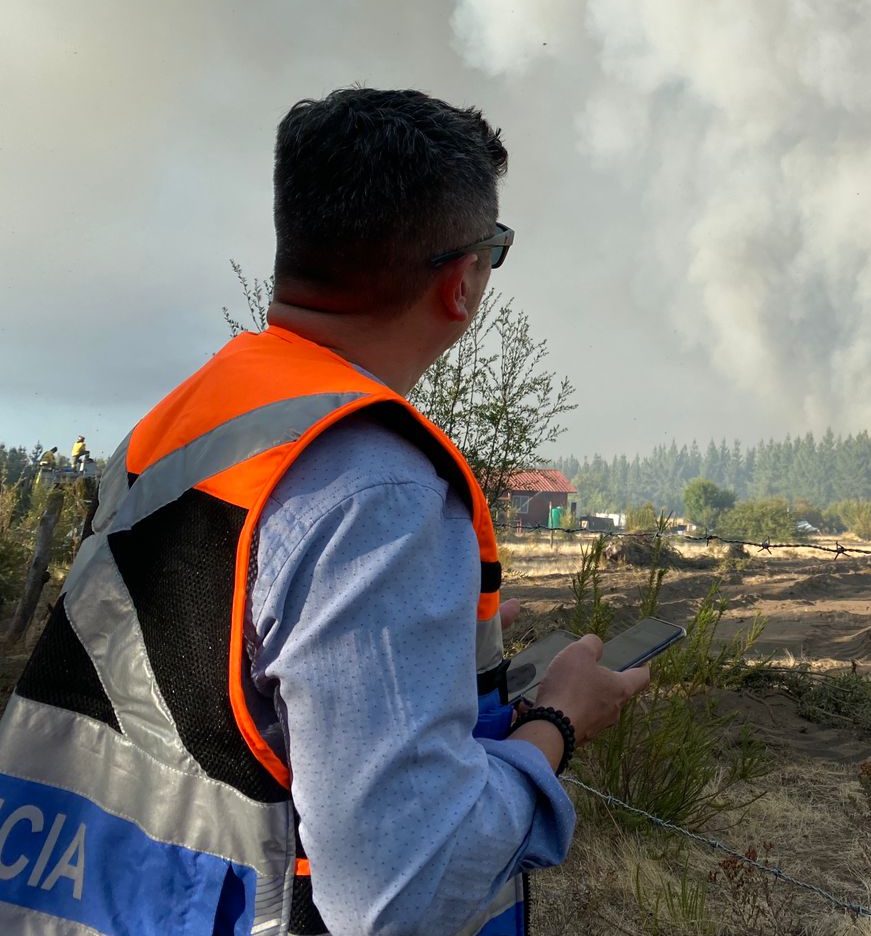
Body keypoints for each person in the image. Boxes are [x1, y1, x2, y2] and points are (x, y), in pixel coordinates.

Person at [0, 88, 649, 935]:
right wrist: (558, 724)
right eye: (494, 249)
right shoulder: (379, 492)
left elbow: (206, 677)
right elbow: (398, 896)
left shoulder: (191, 422)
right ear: (463, 283)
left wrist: (407, 634)